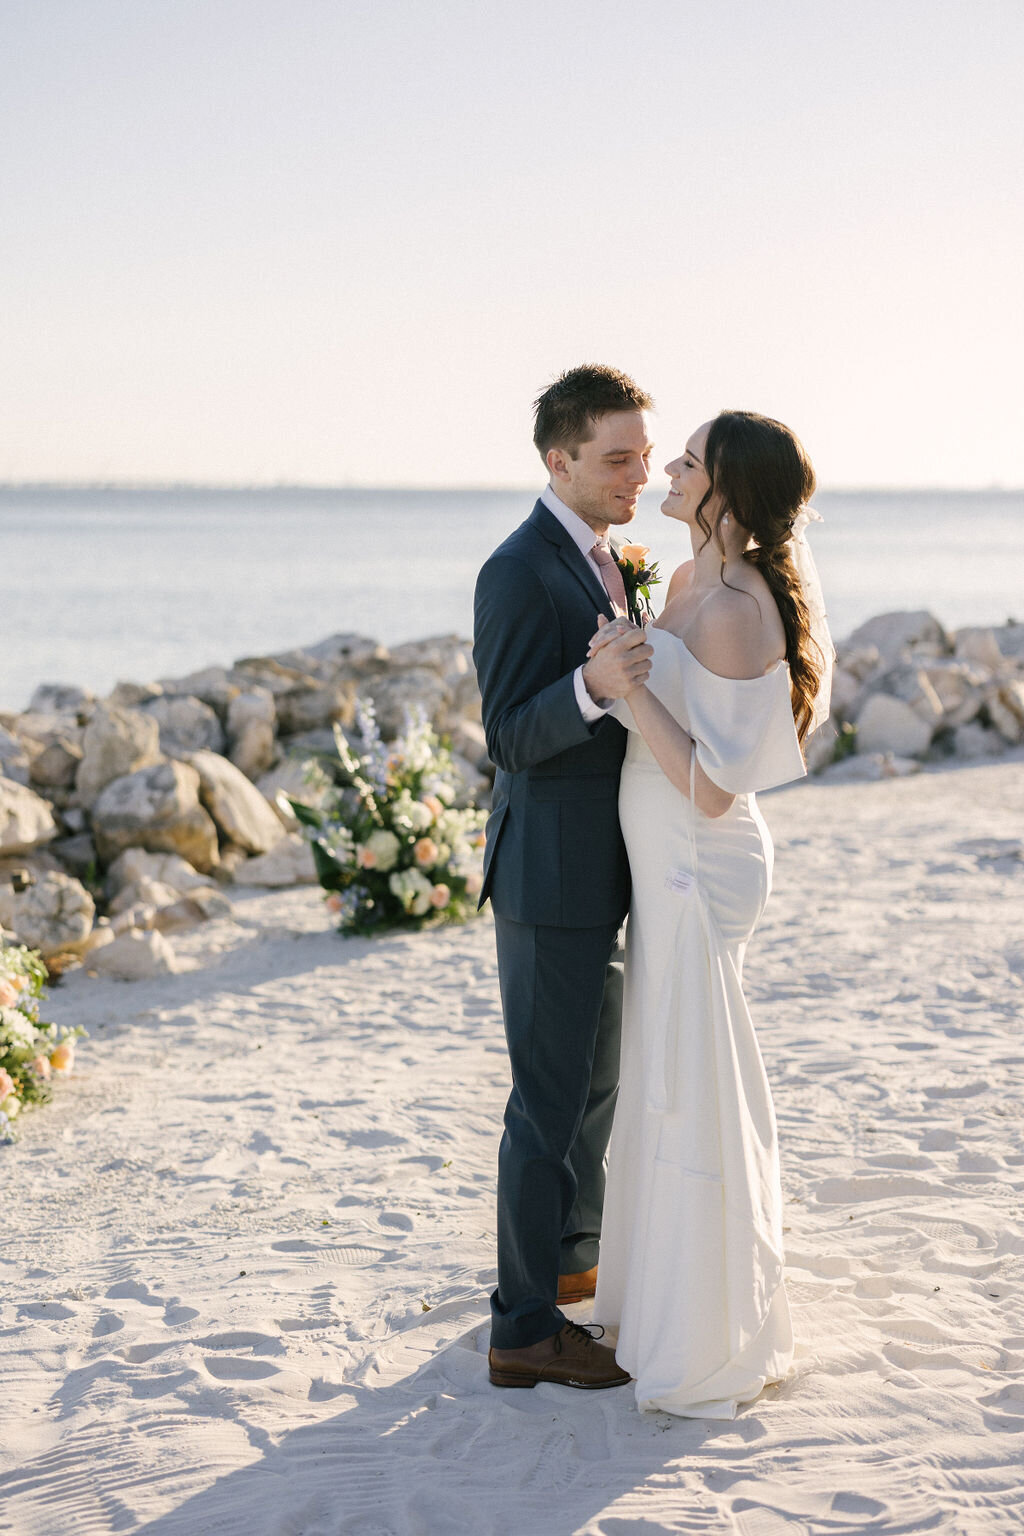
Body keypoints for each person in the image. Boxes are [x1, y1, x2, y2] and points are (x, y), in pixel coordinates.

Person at [588, 409, 833, 1417]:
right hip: (659, 852)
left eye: (689, 460)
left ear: (729, 487)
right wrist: (631, 626)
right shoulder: (685, 578)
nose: (670, 467)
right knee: (663, 1063)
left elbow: (717, 790)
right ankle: (654, 1295)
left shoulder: (736, 607)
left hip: (699, 855)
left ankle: (702, 1328)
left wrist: (625, 681)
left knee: (691, 1070)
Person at [473, 363, 656, 1390]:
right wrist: (590, 686)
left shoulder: (605, 558)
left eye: (642, 454)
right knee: (543, 1105)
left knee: (594, 1089)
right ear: (560, 459)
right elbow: (505, 734)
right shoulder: (516, 568)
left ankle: (569, 1264)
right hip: (546, 876)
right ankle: (521, 1328)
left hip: (609, 871)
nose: (635, 474)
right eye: (615, 458)